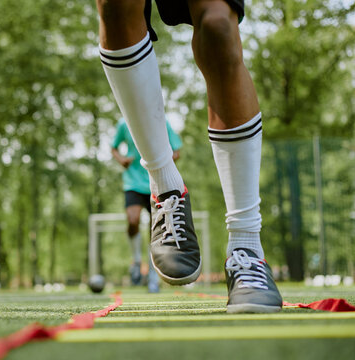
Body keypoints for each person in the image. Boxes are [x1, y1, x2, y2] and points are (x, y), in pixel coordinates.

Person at [96, 0, 282, 312]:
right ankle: (166, 187)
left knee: (217, 26)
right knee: (115, 7)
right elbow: (113, 147)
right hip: (137, 180)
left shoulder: (171, 128)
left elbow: (178, 145)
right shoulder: (118, 130)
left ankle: (247, 247)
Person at [111, 117, 182, 293]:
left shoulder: (162, 122)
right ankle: (136, 260)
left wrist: (162, 162)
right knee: (133, 219)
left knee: (154, 233)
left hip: (156, 182)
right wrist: (121, 159)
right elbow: (113, 147)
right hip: (133, 182)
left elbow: (177, 151)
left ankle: (152, 277)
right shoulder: (124, 123)